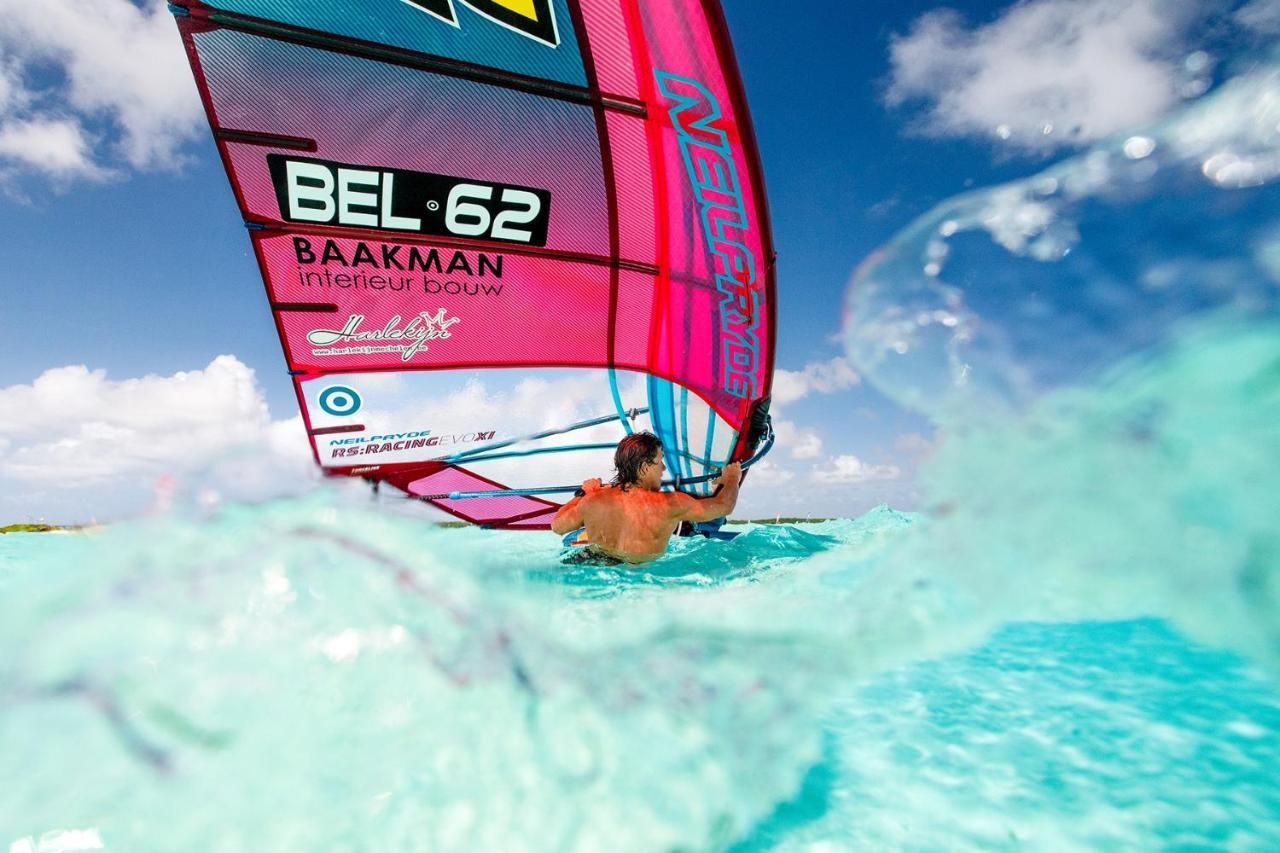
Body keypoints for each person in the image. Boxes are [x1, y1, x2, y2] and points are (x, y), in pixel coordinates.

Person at [551, 431, 742, 564]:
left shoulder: (592, 500)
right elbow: (724, 506)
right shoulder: (670, 503)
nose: (664, 469)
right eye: (660, 461)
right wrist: (732, 478)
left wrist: (582, 494)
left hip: (594, 565)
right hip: (640, 577)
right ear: (644, 467)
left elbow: (557, 526)